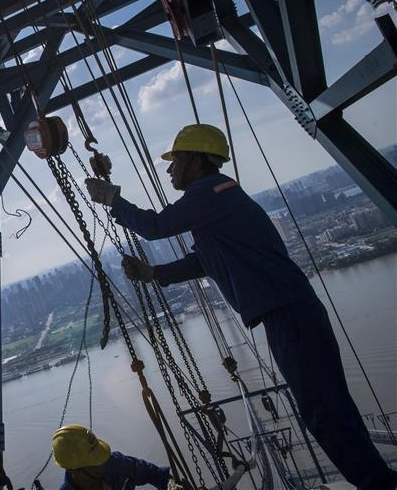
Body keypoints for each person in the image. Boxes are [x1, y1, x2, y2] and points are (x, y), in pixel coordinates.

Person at [85, 123, 397, 490]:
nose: (169, 170)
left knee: (323, 412)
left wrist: (113, 200)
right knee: (330, 405)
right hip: (290, 310)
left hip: (287, 314)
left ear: (198, 161)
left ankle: (378, 485)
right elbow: (203, 260)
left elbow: (155, 226)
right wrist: (154, 272)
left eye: (176, 161)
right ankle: (380, 480)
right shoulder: (220, 198)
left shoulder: (209, 194)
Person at [52, 424, 170, 489]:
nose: (101, 466)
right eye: (94, 465)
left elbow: (153, 474)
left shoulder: (115, 464)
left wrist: (170, 482)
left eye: (100, 459)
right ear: (72, 470)